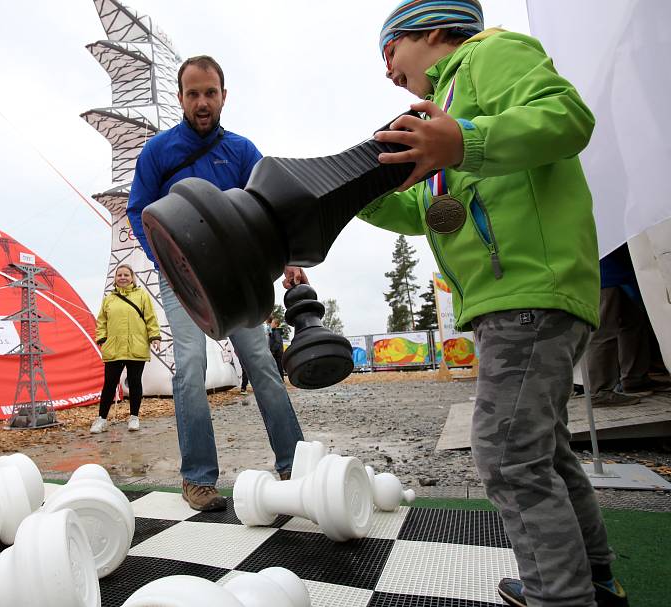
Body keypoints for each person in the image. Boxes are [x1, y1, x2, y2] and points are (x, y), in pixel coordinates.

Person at [359, 2, 628, 605]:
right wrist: (357, 196)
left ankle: (560, 597)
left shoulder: (492, 55)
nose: (387, 71)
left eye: (389, 51)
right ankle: (594, 582)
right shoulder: (448, 109)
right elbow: (431, 214)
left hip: (528, 292)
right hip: (518, 298)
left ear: (432, 29)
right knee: (545, 452)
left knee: (507, 454)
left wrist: (463, 138)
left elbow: (565, 117)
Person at [126, 55, 305, 511]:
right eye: (193, 94)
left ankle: (295, 466)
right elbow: (137, 210)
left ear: (223, 96)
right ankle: (199, 479)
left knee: (262, 365)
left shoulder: (243, 151)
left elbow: (273, 209)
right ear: (181, 97)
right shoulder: (158, 152)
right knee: (189, 369)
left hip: (233, 280)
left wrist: (290, 262)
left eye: (210, 93)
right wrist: (161, 260)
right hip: (181, 280)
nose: (202, 102)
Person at [586, 243, 671, 406]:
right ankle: (600, 390)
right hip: (604, 270)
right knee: (604, 331)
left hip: (622, 269)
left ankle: (634, 379)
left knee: (634, 322)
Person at [91, 264, 161, 434]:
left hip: (136, 346)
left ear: (132, 277)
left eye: (126, 275)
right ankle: (101, 419)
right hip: (114, 348)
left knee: (135, 382)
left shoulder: (142, 296)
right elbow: (102, 322)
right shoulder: (109, 299)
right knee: (109, 384)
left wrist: (155, 336)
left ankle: (134, 417)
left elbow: (150, 318)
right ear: (115, 279)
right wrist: (102, 339)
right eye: (119, 275)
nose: (122, 277)